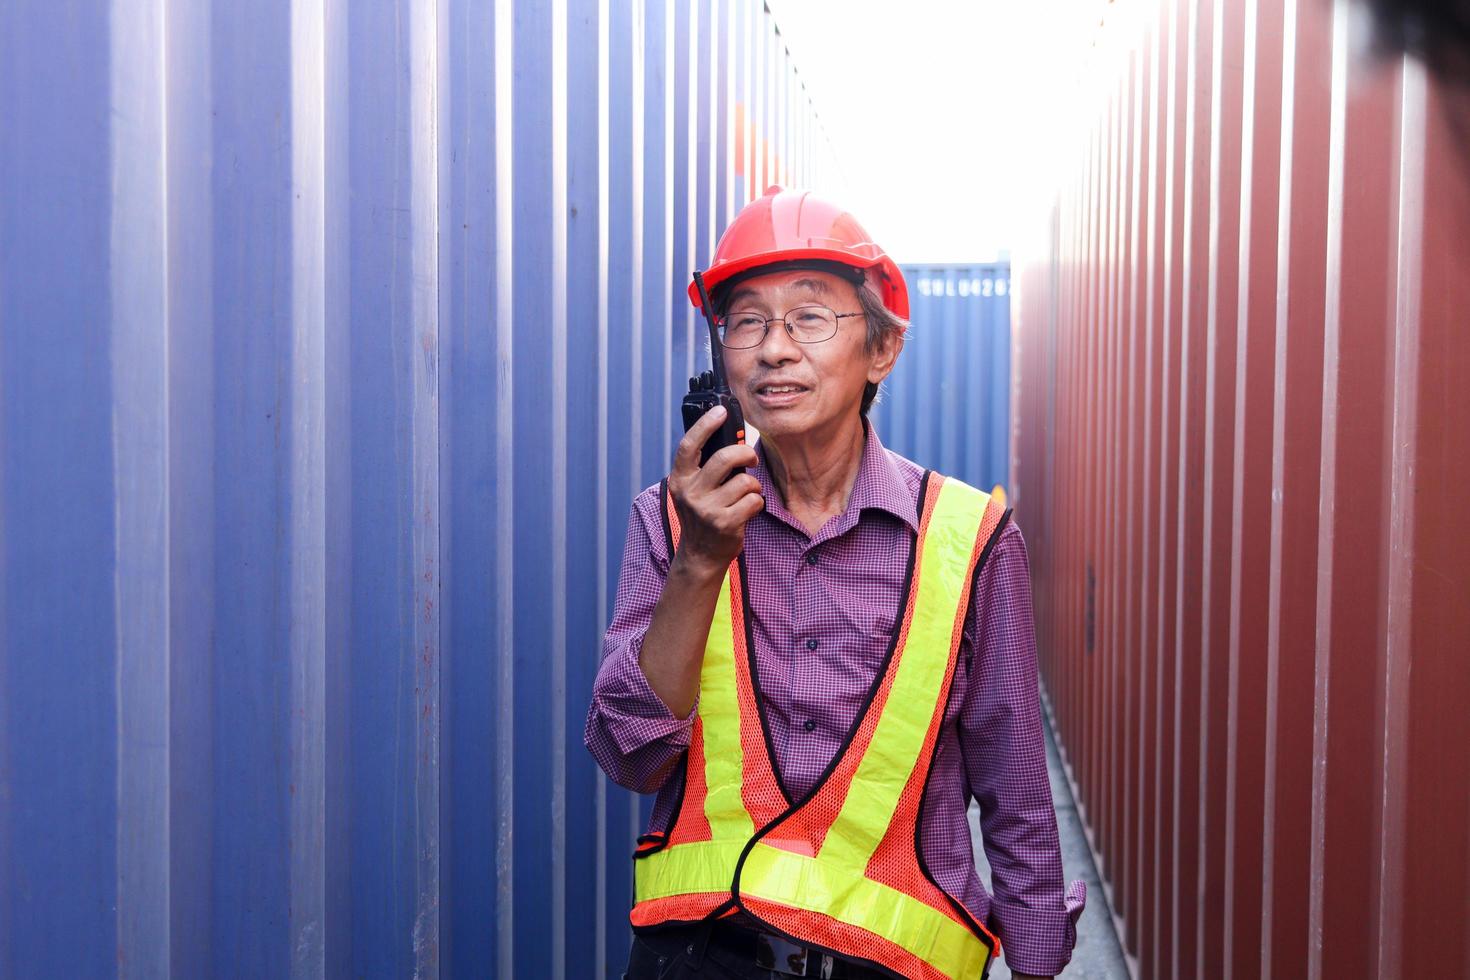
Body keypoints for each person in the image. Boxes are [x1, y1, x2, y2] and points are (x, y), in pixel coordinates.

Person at [585, 186, 1084, 979]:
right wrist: (701, 564)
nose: (773, 349)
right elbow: (629, 755)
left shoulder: (971, 542)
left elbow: (1015, 783)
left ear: (881, 349)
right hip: (699, 956)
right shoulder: (672, 522)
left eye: (809, 318)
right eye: (746, 321)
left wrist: (1036, 962)